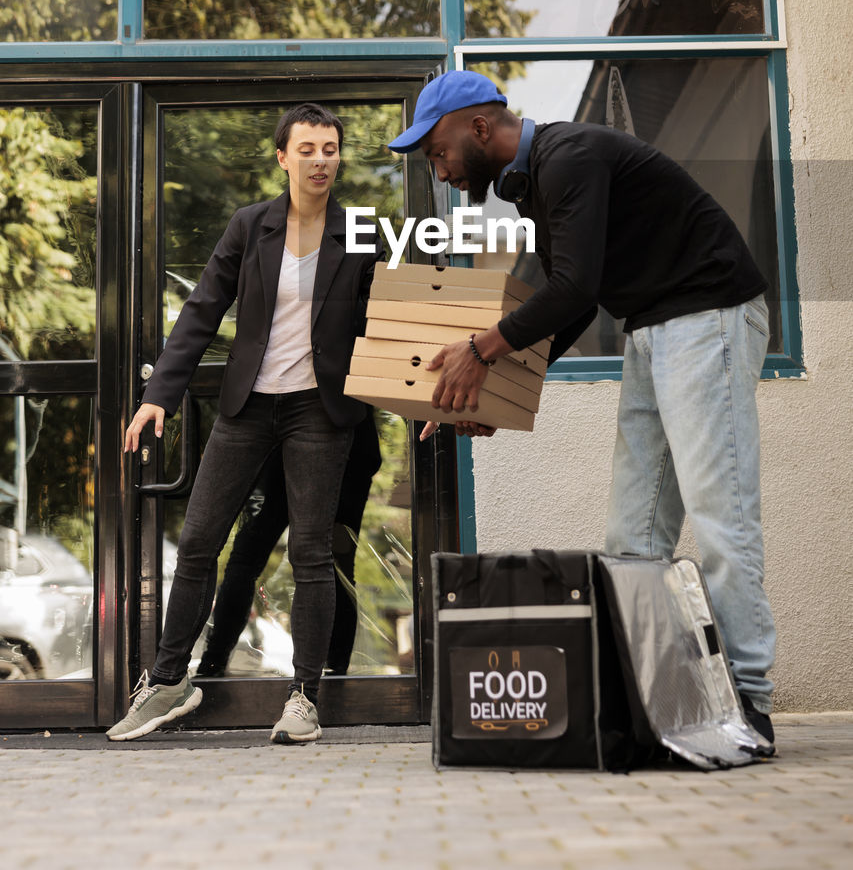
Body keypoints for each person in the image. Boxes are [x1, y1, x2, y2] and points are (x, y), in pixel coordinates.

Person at [388, 69, 777, 747]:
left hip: (707, 316)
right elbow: (569, 312)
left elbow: (572, 289)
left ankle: (749, 700)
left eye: (439, 151)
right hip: (652, 329)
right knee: (633, 537)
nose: (440, 169)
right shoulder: (539, 181)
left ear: (479, 128)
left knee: (720, 518)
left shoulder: (572, 157)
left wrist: (477, 353)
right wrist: (499, 394)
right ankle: (653, 699)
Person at [108, 103, 382, 744]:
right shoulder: (250, 226)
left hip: (321, 410)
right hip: (249, 408)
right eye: (308, 148)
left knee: (312, 554)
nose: (321, 160)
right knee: (200, 541)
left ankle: (305, 698)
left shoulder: (361, 232)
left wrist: (431, 399)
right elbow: (202, 310)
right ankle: (169, 681)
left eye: (331, 148)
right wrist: (160, 395)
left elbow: (393, 324)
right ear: (282, 157)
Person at [195, 411, 381, 679]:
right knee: (334, 567)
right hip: (337, 449)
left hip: (309, 450)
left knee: (250, 560)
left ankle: (212, 667)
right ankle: (333, 672)